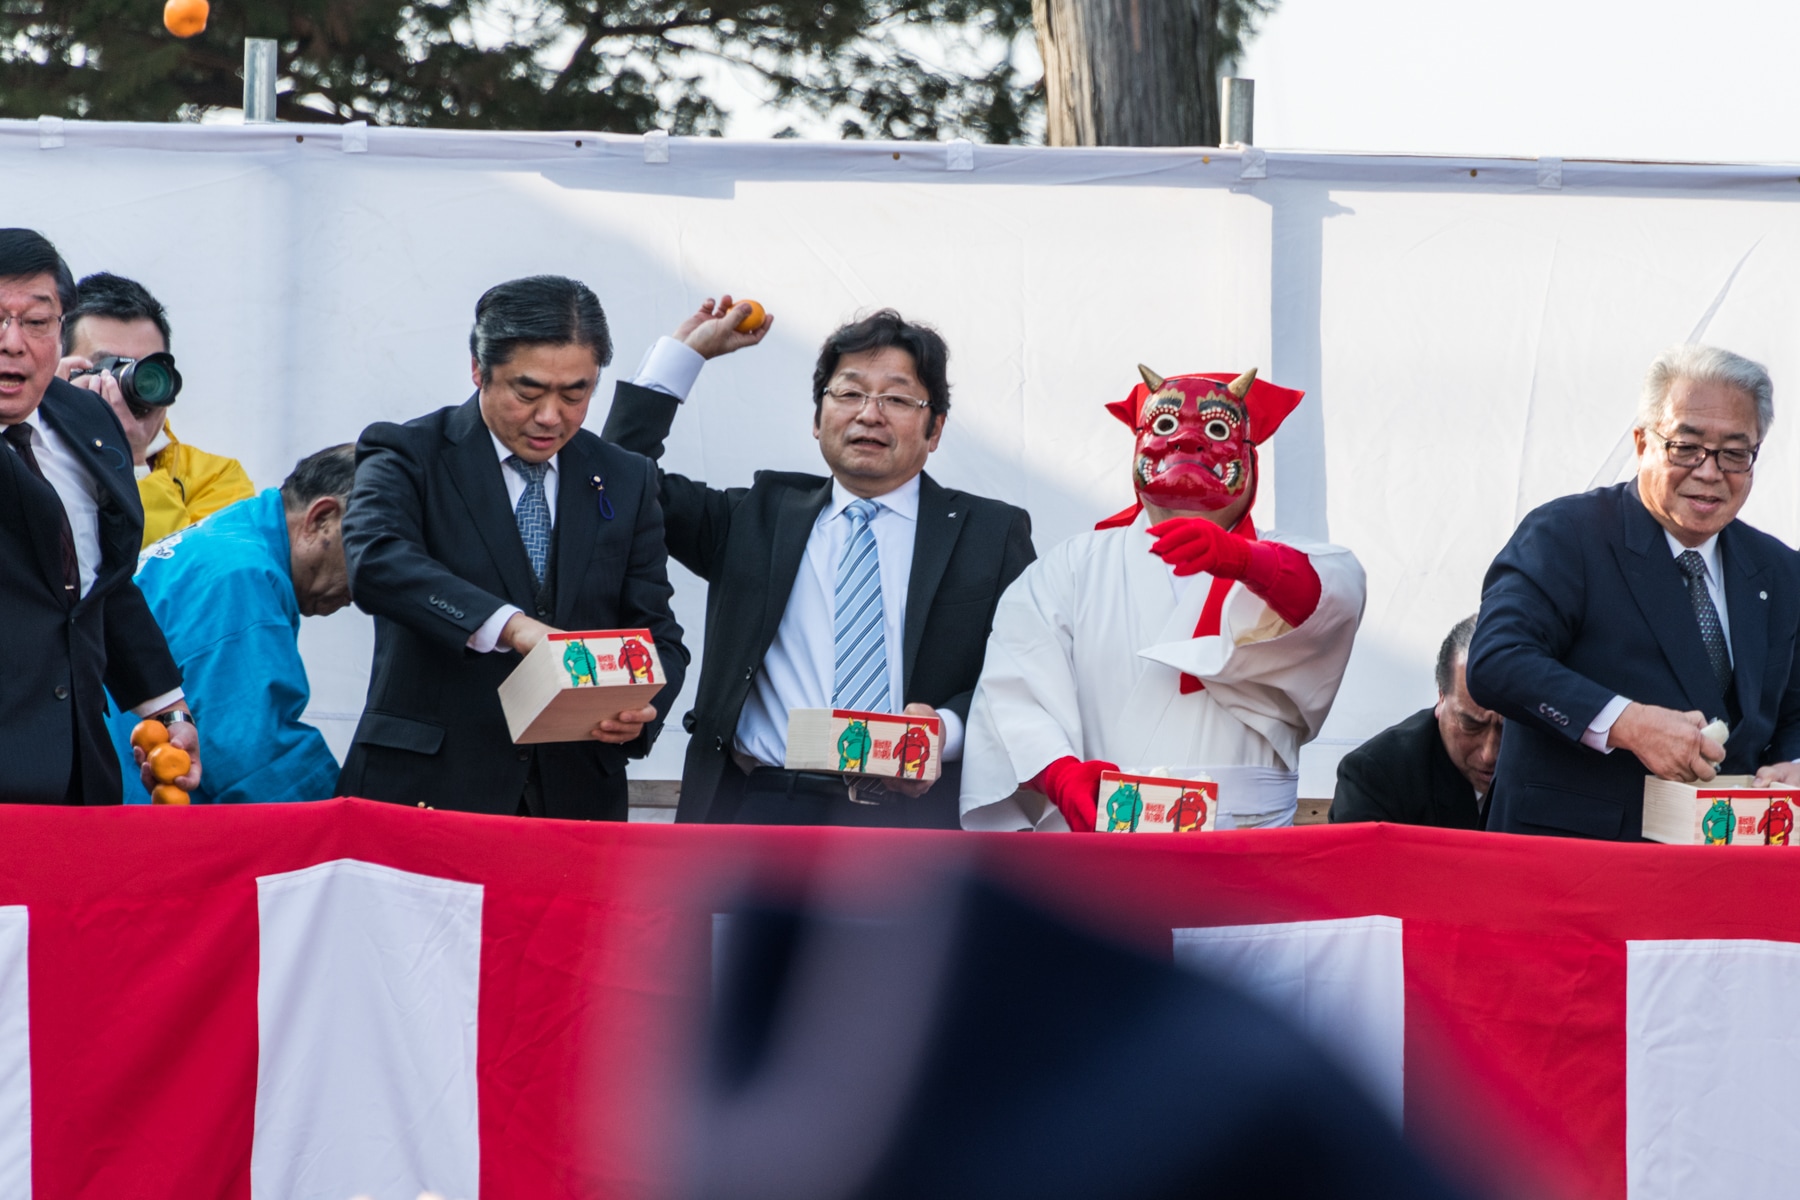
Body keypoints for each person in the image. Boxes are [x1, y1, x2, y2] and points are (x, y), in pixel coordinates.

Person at [602, 301, 1035, 827]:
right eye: (849, 393)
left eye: (897, 398)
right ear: (817, 418)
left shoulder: (989, 533)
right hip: (760, 809)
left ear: (935, 428)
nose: (869, 414)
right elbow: (618, 479)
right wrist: (683, 358)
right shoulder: (755, 517)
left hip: (917, 820)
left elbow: (1024, 674)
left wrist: (946, 730)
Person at [339, 275, 686, 820]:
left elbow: (658, 633)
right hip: (429, 789)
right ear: (479, 369)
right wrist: (513, 626)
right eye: (528, 392)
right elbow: (376, 561)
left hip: (575, 797)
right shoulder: (408, 452)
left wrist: (641, 708)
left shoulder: (624, 477)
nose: (551, 416)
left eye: (576, 393)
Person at [961, 364, 1366, 831]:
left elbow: (1333, 596)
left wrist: (1248, 563)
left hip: (1243, 840)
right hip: (1094, 834)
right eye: (1166, 426)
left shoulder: (1294, 560)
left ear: (1250, 455)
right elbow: (1014, 687)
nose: (1188, 443)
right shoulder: (1070, 567)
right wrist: (1059, 774)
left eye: (1217, 429)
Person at [1467, 345, 1800, 840]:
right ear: (1643, 443)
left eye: (1734, 453)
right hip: (1575, 862)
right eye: (1686, 447)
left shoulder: (1778, 569)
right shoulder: (1568, 535)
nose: (1709, 472)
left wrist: (1793, 762)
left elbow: (1792, 709)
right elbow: (1497, 661)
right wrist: (1627, 722)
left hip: (1723, 868)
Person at [0, 228, 201, 804]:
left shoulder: (87, 418)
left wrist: (168, 714)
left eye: (35, 322)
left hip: (80, 780)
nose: (12, 343)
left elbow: (102, 585)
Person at [105, 445, 355, 804]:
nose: (364, 590)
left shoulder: (228, 537)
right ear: (321, 518)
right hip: (128, 824)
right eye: (368, 550)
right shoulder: (242, 576)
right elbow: (257, 761)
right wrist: (357, 832)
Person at [57, 272, 254, 546]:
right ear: (64, 370)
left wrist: (133, 463)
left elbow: (187, 578)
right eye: (108, 368)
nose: (126, 386)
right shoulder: (25, 453)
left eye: (143, 371)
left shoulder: (217, 478)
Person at [1332, 616, 1500, 829]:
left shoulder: (1548, 761)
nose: (1489, 754)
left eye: (1508, 730)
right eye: (1471, 726)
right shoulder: (1377, 776)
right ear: (1441, 695)